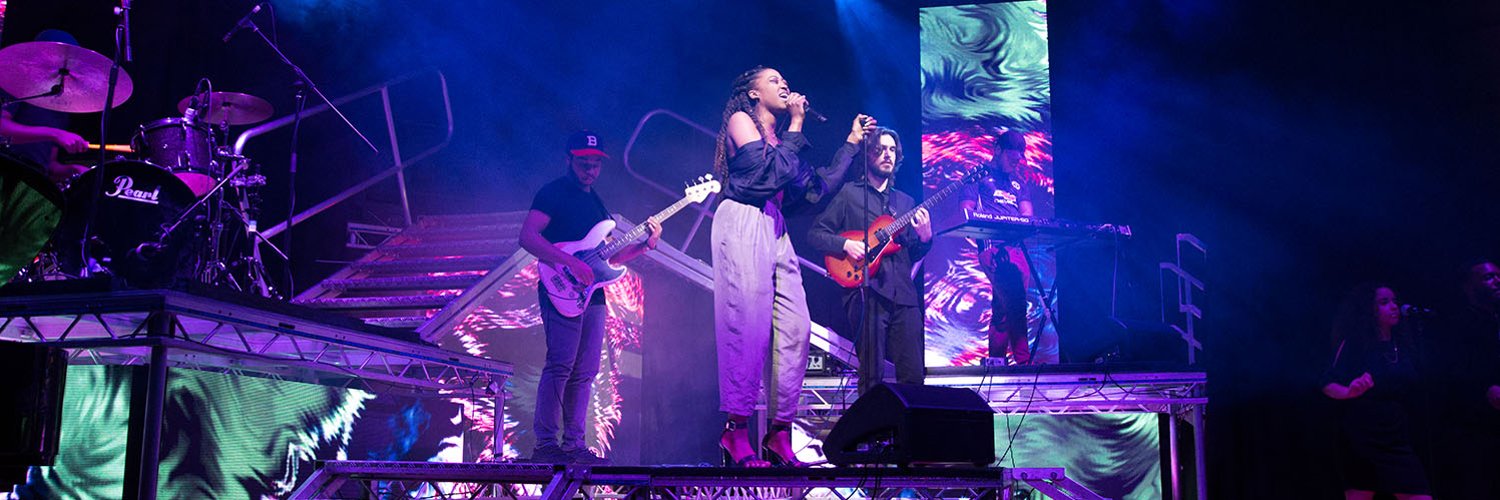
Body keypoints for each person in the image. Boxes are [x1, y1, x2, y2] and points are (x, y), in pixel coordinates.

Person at [710, 65, 871, 467]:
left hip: (773, 225)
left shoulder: (780, 141)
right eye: (773, 80)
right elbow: (762, 176)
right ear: (751, 93)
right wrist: (797, 124)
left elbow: (813, 190)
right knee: (746, 323)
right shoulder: (740, 120)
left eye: (784, 80)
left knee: (796, 327)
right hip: (743, 218)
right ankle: (736, 431)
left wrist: (850, 144)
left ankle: (780, 432)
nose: (784, 84)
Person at [517, 130, 662, 465]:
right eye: (584, 162)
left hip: (592, 295)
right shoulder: (553, 192)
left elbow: (607, 260)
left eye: (596, 164)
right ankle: (545, 445)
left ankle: (574, 445)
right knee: (561, 364)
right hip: (560, 287)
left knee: (586, 370)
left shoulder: (597, 203)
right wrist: (568, 262)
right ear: (570, 159)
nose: (590, 170)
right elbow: (527, 236)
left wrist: (643, 246)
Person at [808, 126, 931, 396]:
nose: (887, 154)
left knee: (912, 374)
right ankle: (870, 437)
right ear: (869, 155)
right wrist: (845, 244)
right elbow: (816, 234)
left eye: (892, 150)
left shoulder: (905, 201)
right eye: (880, 149)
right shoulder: (850, 194)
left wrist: (925, 238)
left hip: (904, 296)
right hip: (866, 292)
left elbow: (911, 253)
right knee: (871, 376)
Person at [1320, 283, 1432, 500]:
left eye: (1394, 301)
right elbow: (1327, 383)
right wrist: (1349, 392)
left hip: (1397, 439)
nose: (1393, 307)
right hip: (1362, 438)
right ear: (1369, 311)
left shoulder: (1405, 345)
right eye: (1384, 302)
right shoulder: (1355, 343)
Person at [1428, 259, 1500, 498]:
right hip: (1472, 427)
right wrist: (1484, 389)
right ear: (1469, 286)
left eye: (1497, 275)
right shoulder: (1456, 324)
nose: (1497, 281)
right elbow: (1451, 371)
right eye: (1488, 277)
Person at [968, 130, 1038, 364]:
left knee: (1003, 309)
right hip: (992, 247)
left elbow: (1027, 215)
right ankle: (1024, 362)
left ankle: (996, 364)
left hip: (1017, 250)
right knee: (1015, 301)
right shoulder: (978, 176)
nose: (1016, 162)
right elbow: (966, 213)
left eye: (1019, 158)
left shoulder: (1019, 183)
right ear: (998, 150)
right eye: (1012, 157)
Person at [0, 30, 90, 183]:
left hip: (33, 181)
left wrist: (73, 169)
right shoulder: (16, 85)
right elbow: (1, 129)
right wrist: (55, 133)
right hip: (6, 170)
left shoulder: (61, 108)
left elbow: (50, 165)